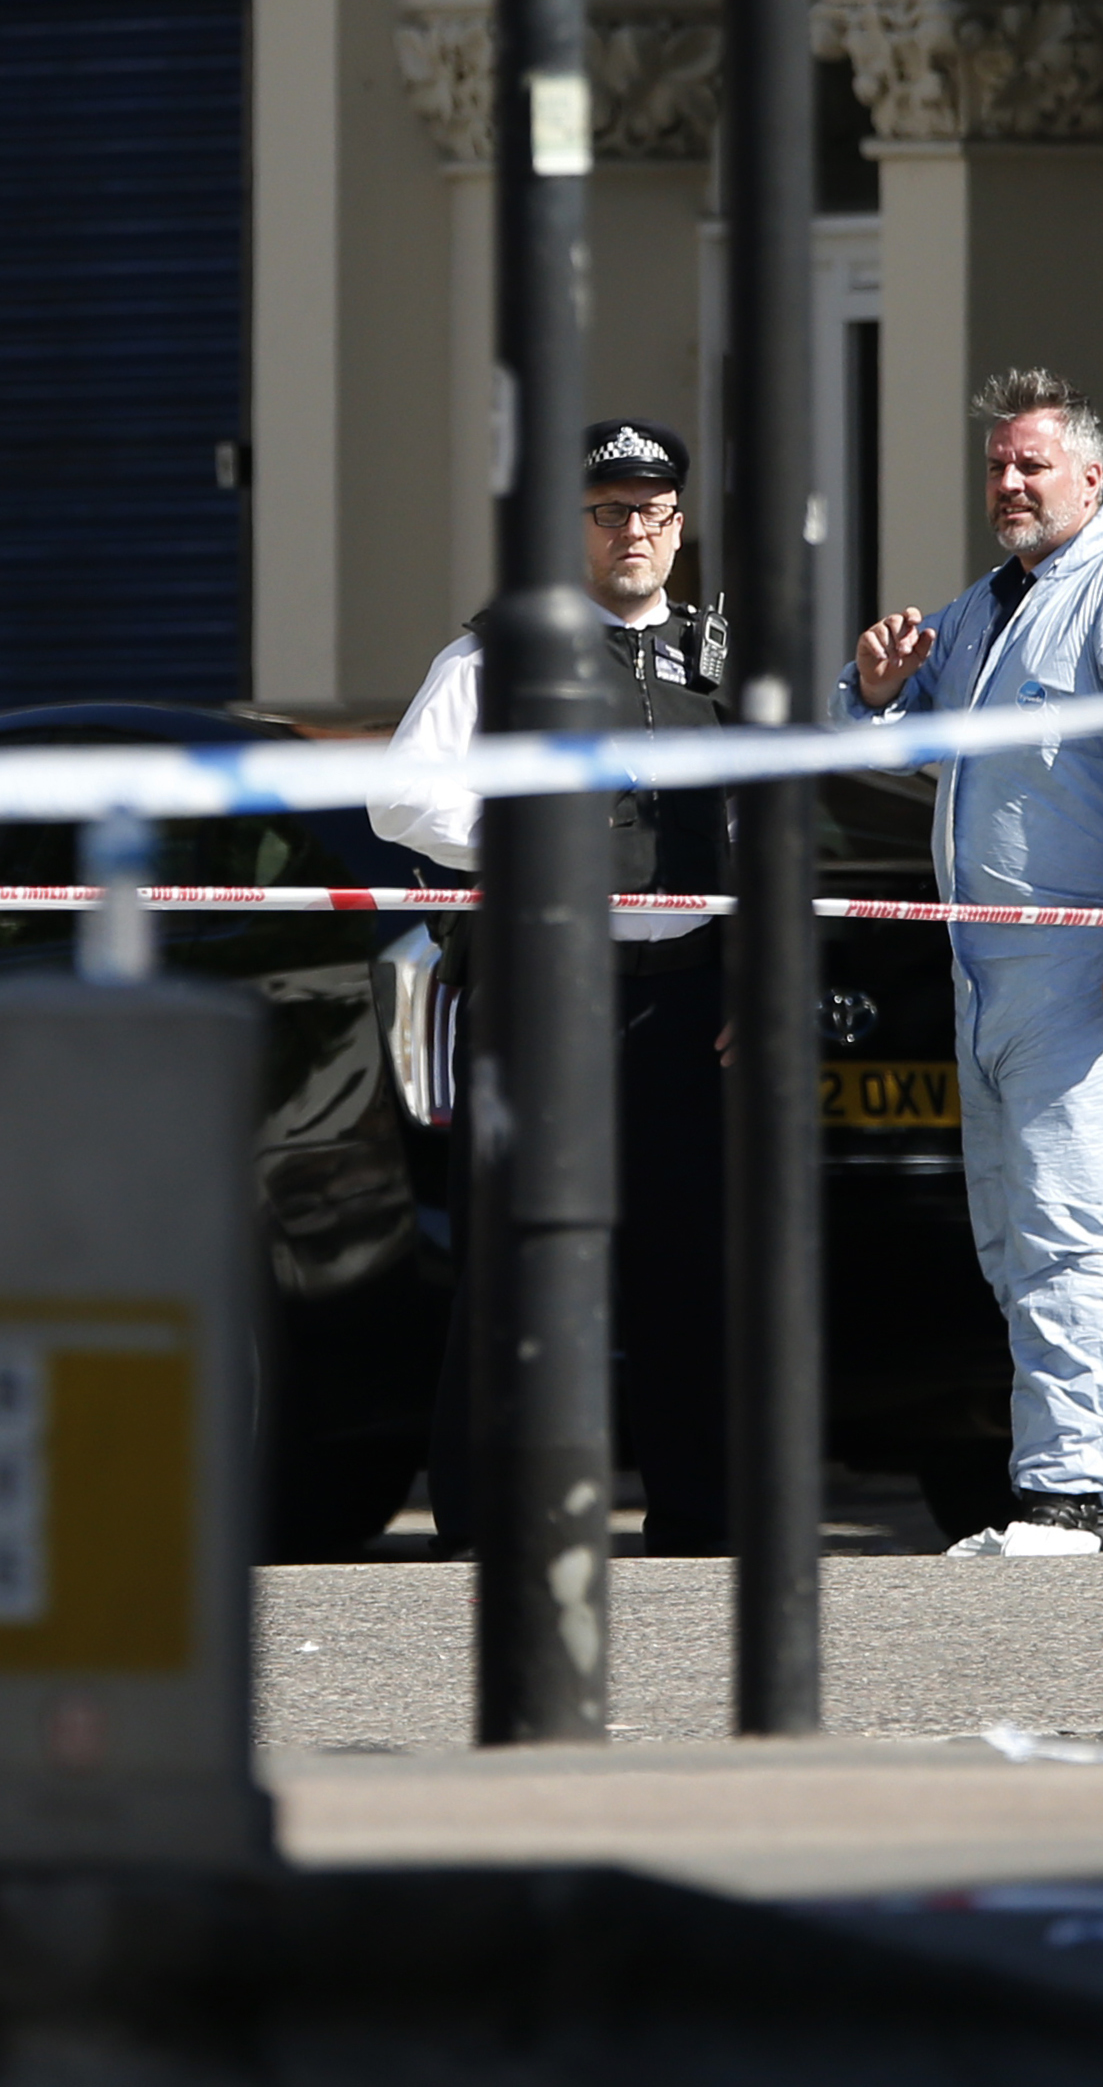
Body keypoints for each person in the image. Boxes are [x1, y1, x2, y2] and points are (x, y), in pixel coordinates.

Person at [841, 368, 1103, 1556]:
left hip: (1096, 966)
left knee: (1071, 1222)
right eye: (997, 466)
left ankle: (1082, 1494)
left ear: (1093, 475)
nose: (1010, 484)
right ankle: (1063, 1485)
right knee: (1014, 1236)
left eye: (1032, 464)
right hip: (992, 976)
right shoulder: (990, 606)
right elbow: (901, 739)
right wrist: (875, 689)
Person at [370, 418, 738, 1550]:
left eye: (654, 512)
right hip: (547, 1002)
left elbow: (757, 824)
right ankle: (491, 1525)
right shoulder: (502, 654)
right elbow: (402, 799)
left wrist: (750, 977)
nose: (635, 532)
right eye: (609, 512)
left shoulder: (717, 658)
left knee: (689, 1272)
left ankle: (701, 1524)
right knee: (522, 1266)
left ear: (679, 526)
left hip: (684, 1004)